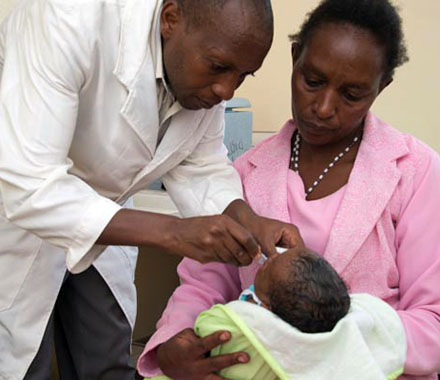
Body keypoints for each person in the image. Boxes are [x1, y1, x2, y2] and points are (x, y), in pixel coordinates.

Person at [0, 0, 304, 378]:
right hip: (15, 208)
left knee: (108, 357)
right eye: (218, 67)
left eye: (244, 76)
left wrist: (247, 220)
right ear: (170, 18)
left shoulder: (202, 64)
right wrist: (172, 232)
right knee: (22, 361)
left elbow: (200, 162)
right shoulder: (67, 18)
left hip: (104, 207)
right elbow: (28, 185)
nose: (226, 91)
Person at [137, 0, 440, 379]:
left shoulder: (415, 172)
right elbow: (202, 286)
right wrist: (174, 341)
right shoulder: (243, 174)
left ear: (382, 87)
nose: (325, 107)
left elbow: (433, 324)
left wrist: (321, 344)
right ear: (295, 58)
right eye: (312, 81)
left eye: (352, 94)